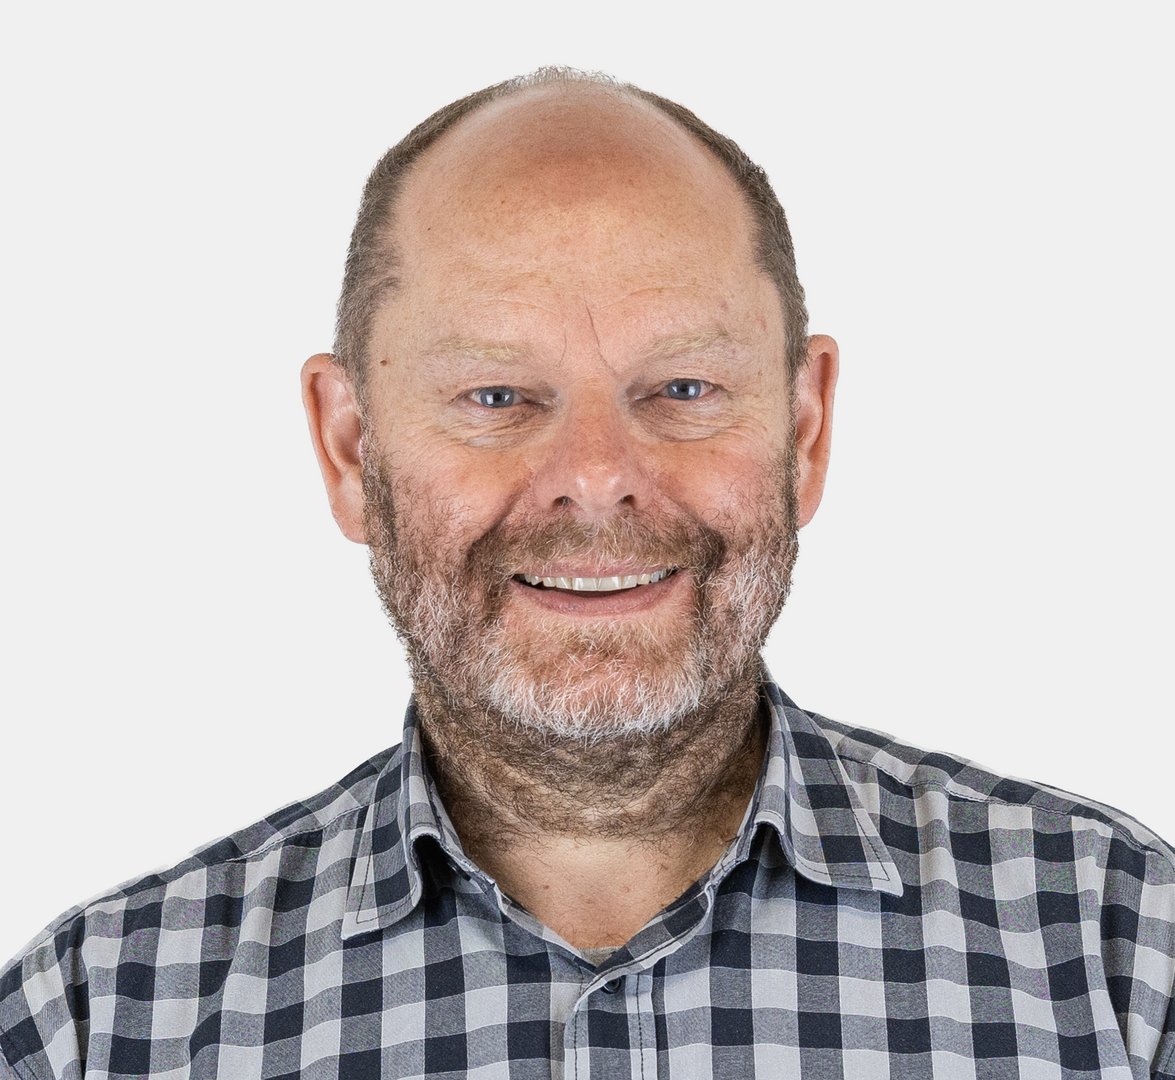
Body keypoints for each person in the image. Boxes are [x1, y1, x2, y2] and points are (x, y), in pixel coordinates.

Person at [2, 67, 1173, 1080]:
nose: (599, 478)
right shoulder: (97, 1023)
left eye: (682, 388)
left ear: (804, 431)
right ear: (350, 450)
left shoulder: (1120, 955)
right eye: (496, 396)